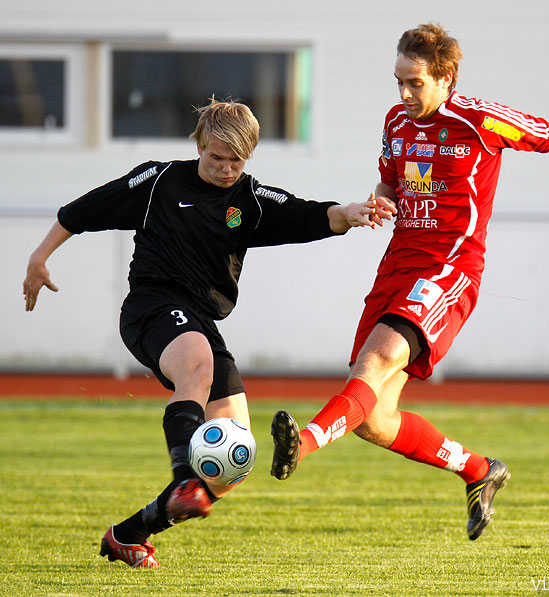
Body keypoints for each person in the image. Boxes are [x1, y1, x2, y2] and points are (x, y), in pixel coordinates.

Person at [269, 23, 549, 541]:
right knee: (375, 419)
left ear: (445, 78)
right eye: (398, 81)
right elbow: (389, 177)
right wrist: (381, 199)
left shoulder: (482, 120)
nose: (404, 93)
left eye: (415, 83)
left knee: (376, 361)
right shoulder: (396, 121)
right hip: (397, 263)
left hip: (450, 267)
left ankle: (301, 444)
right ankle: (479, 471)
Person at [22, 97, 394, 568]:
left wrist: (353, 211)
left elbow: (313, 214)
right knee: (196, 367)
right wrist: (40, 256)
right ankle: (182, 477)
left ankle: (129, 534)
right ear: (199, 145)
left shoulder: (250, 202)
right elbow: (81, 211)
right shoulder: (157, 181)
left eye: (235, 161)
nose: (224, 168)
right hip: (151, 308)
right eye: (216, 157)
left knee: (234, 462)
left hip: (200, 322)